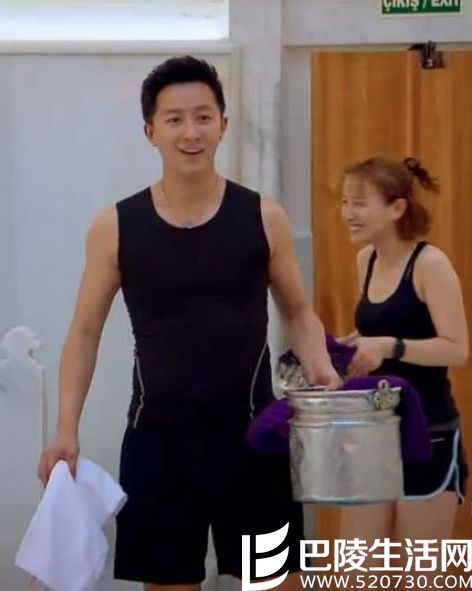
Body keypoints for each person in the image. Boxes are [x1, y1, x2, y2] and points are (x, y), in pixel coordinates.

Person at [37, 55, 340, 590]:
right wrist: (66, 430)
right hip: (158, 441)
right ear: (150, 131)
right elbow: (84, 331)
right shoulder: (115, 226)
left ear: (223, 124)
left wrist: (319, 366)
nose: (191, 132)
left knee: (276, 582)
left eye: (203, 117)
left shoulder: (262, 215)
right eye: (174, 119)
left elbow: (297, 309)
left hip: (252, 439)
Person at [338, 156, 469, 577]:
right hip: (373, 433)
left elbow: (457, 349)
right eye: (345, 202)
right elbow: (381, 327)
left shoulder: (431, 264)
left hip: (428, 433)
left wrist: (389, 347)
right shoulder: (365, 260)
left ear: (397, 208)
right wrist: (351, 346)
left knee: (420, 576)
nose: (347, 213)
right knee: (356, 573)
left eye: (359, 203)